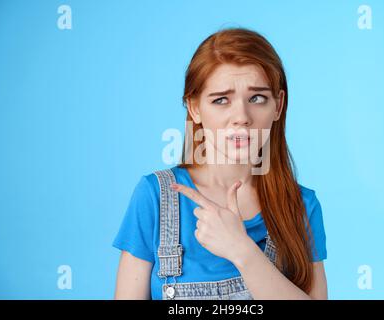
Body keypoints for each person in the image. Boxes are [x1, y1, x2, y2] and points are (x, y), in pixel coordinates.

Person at [113, 27, 328, 300]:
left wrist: (242, 250)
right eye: (221, 100)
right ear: (194, 108)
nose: (241, 116)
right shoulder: (154, 196)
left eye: (257, 98)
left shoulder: (301, 207)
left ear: (278, 105)